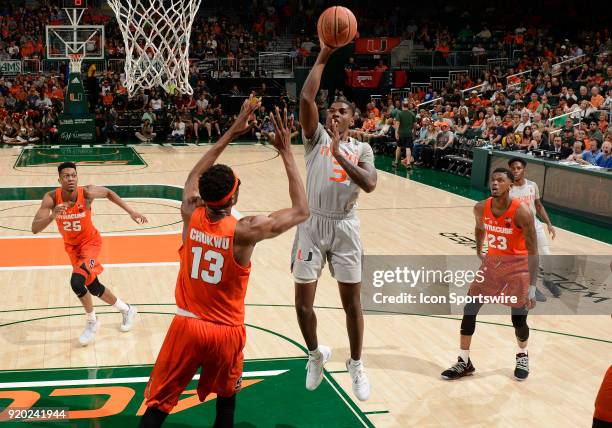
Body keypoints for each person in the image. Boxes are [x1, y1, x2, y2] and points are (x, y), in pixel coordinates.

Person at [139, 99, 309, 428]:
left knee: (159, 405)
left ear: (204, 195)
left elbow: (193, 174)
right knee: (226, 403)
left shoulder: (191, 211)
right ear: (233, 198)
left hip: (187, 326)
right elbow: (301, 210)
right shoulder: (245, 231)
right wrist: (286, 151)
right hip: (226, 333)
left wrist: (232, 130)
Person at [295, 39, 378, 401]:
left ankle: (356, 364)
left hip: (345, 226)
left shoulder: (362, 149)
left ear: (353, 117)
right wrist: (324, 55)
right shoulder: (315, 139)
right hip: (312, 225)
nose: (334, 114)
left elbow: (370, 184)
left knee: (352, 304)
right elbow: (305, 100)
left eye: (341, 111)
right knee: (302, 304)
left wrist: (341, 158)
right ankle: (316, 355)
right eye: (332, 110)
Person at [31, 162, 147, 345]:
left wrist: (131, 211)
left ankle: (92, 322)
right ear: (59, 179)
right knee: (93, 287)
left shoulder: (87, 193)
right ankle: (127, 309)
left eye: (74, 175)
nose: (71, 179)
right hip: (72, 248)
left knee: (76, 282)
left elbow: (109, 193)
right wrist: (53, 215)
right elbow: (34, 228)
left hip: (90, 244)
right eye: (66, 176)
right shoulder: (51, 198)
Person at [441, 168, 538, 381]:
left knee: (518, 321)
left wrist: (532, 287)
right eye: (492, 180)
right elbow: (479, 228)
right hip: (492, 266)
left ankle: (522, 354)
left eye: (500, 180)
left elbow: (533, 252)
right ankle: (463, 361)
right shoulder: (480, 207)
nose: (494, 183)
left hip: (518, 268)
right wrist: (478, 249)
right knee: (469, 308)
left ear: (510, 185)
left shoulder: (522, 212)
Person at [508, 158, 560, 299]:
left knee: (546, 254)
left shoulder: (532, 185)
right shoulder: (508, 188)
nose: (516, 170)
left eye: (518, 168)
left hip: (535, 225)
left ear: (524, 169)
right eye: (513, 168)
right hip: (518, 229)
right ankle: (532, 287)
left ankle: (548, 280)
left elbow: (538, 206)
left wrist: (549, 223)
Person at [392, 99, 417, 168]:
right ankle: (408, 163)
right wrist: (414, 132)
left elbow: (397, 123)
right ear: (408, 106)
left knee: (398, 147)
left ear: (402, 105)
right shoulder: (412, 113)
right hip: (409, 133)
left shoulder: (399, 113)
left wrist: (396, 132)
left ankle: (396, 162)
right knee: (408, 148)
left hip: (401, 133)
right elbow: (415, 125)